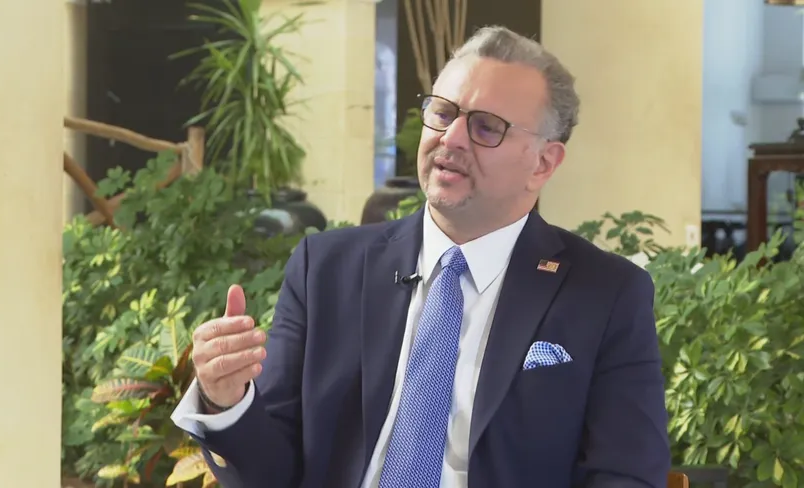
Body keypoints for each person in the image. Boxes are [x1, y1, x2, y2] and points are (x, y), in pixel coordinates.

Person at [171, 25, 670, 488]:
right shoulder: (325, 269)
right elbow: (271, 475)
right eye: (443, 113)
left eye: (486, 127)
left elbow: (626, 474)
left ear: (543, 162)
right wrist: (227, 401)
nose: (450, 139)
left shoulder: (605, 294)